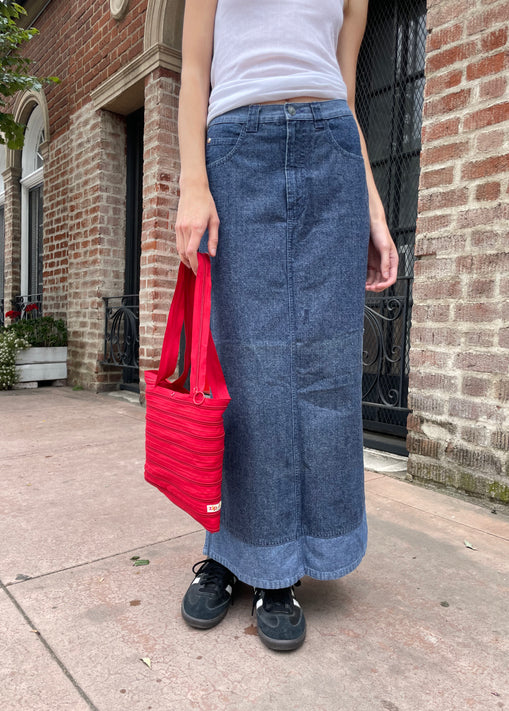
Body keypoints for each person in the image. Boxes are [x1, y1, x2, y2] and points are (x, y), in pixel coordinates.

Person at [175, 0, 398, 651]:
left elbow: (347, 96)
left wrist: (376, 211)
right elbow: (194, 68)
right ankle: (231, 550)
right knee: (247, 371)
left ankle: (285, 566)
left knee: (324, 369)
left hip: (331, 153)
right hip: (238, 150)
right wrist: (193, 181)